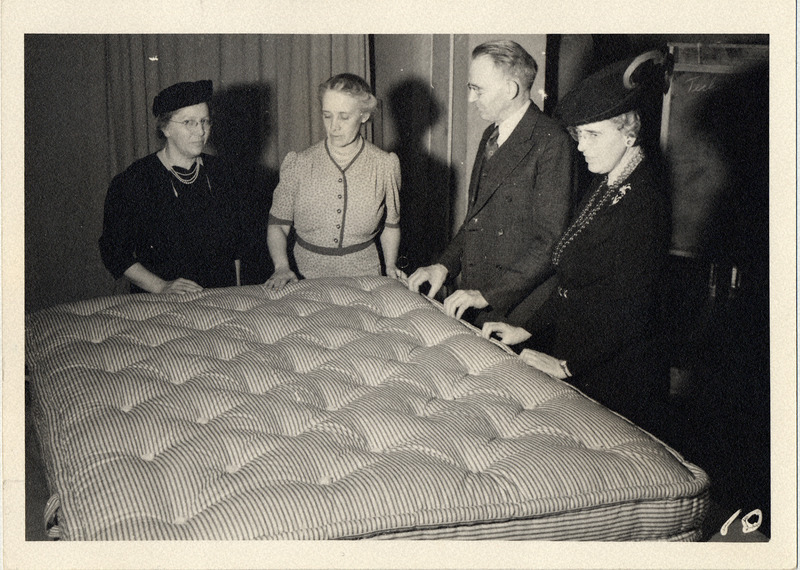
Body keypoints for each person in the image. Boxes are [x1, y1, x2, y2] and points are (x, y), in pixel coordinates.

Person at [481, 52, 671, 432]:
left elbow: (633, 312)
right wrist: (527, 328)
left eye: (593, 135)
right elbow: (572, 280)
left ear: (630, 133)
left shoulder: (644, 202)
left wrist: (568, 366)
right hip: (579, 355)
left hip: (616, 377)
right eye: (578, 135)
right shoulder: (606, 180)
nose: (582, 147)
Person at [407, 40, 574, 326]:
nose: (471, 98)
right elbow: (475, 220)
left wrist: (488, 295)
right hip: (474, 297)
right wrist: (444, 266)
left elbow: (550, 243)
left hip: (518, 309)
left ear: (510, 89)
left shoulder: (552, 141)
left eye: (478, 89)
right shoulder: (490, 135)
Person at [99, 79, 242, 294]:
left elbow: (236, 248)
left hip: (221, 299)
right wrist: (161, 286)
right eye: (189, 122)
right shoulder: (134, 180)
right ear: (165, 128)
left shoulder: (223, 174)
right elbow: (114, 252)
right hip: (161, 302)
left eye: (205, 121)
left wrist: (237, 294)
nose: (200, 131)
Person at [265, 73, 401, 289]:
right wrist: (281, 266)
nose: (334, 126)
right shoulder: (298, 163)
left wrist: (391, 265)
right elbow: (278, 225)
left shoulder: (385, 164)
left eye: (344, 117)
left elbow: (391, 226)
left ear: (364, 115)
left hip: (365, 278)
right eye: (327, 116)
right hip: (304, 276)